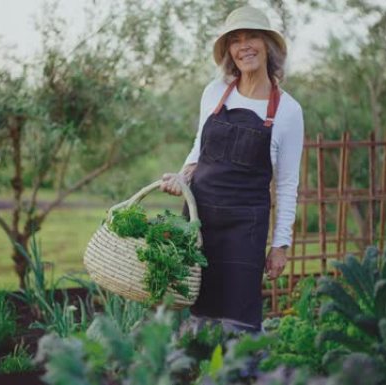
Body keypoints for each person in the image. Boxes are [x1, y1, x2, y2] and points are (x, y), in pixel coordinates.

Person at [160, 5, 304, 333]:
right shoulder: (213, 93)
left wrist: (280, 245)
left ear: (268, 44)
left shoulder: (289, 112)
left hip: (245, 228)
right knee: (198, 314)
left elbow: (286, 184)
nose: (244, 46)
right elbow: (199, 149)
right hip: (200, 221)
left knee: (239, 323)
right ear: (229, 51)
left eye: (252, 37)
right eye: (236, 40)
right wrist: (181, 177)